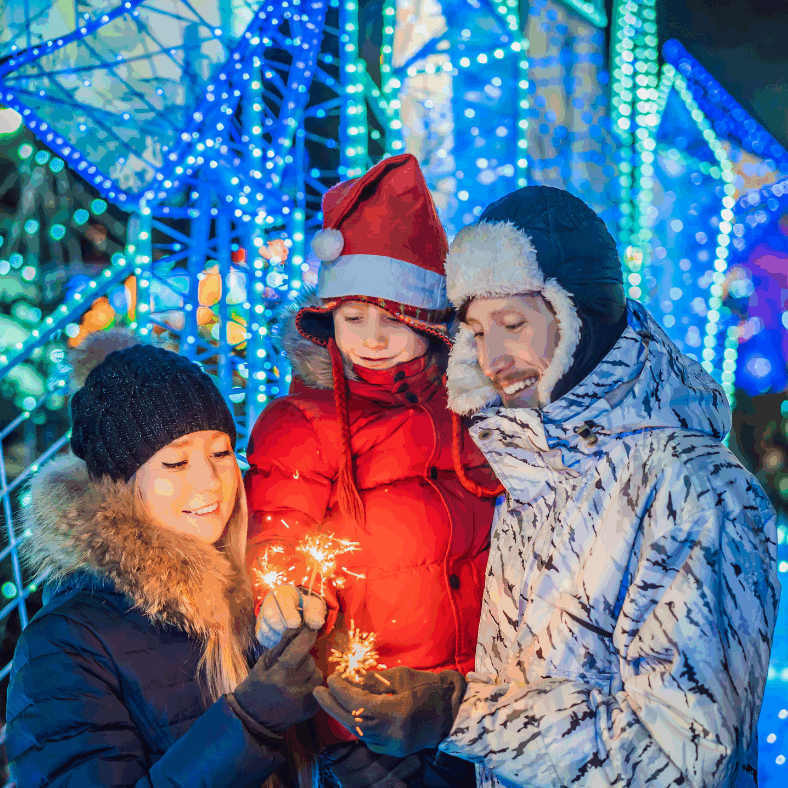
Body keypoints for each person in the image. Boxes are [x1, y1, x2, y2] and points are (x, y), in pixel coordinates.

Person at [313, 185, 780, 788]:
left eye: (514, 323)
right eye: (477, 333)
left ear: (581, 314)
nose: (493, 358)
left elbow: (682, 761)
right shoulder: (529, 471)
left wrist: (459, 711)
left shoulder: (695, 490)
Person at [244, 153, 501, 788]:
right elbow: (284, 528)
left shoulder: (470, 408)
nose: (373, 339)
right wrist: (284, 597)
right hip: (368, 718)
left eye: (393, 320)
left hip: (474, 703)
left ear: (430, 323)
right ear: (328, 317)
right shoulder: (303, 423)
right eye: (354, 319)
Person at [5, 329, 327, 788]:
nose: (209, 482)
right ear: (119, 482)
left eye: (220, 453)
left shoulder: (258, 593)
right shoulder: (62, 644)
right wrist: (249, 724)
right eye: (175, 463)